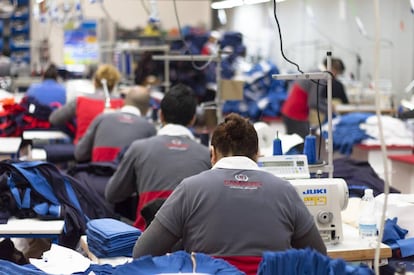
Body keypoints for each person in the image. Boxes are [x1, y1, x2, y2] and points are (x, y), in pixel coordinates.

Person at [132, 113, 326, 275]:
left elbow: (142, 253)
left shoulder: (190, 189)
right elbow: (319, 256)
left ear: (213, 153)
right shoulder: (285, 191)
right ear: (258, 153)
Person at [105, 83, 211, 230]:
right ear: (193, 119)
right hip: (193, 245)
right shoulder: (207, 155)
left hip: (146, 241)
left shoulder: (139, 149)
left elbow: (113, 194)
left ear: (160, 115)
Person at [74, 85, 157, 163]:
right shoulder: (149, 128)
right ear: (147, 110)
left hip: (98, 176)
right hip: (128, 178)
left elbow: (80, 154)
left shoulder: (101, 118)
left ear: (124, 102)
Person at [49, 64, 123, 144]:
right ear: (114, 84)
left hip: (83, 151)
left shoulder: (80, 101)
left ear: (94, 82)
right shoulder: (122, 104)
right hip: (112, 150)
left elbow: (54, 119)